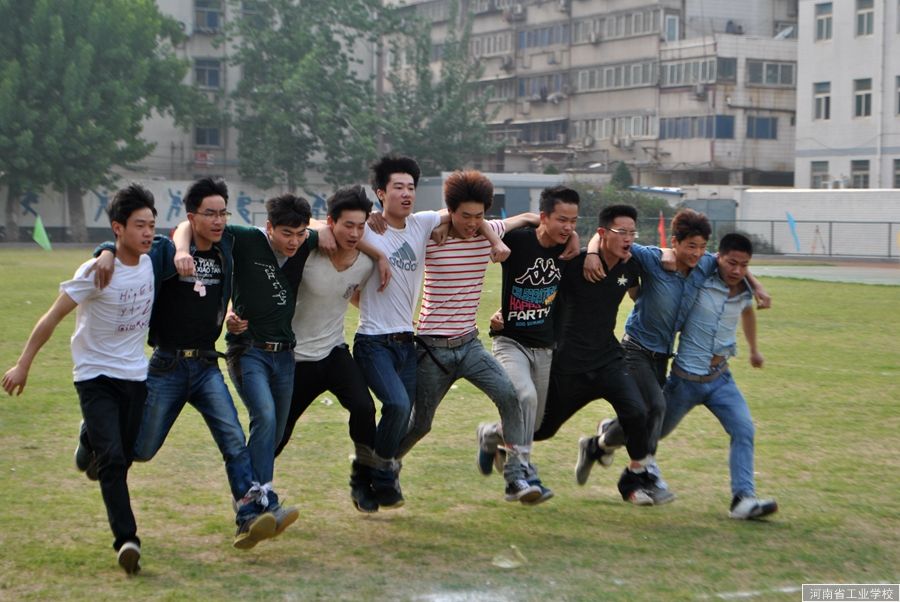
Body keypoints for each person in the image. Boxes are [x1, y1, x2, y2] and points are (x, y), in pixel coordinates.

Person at [89, 177, 284, 549]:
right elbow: (127, 247)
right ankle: (93, 433)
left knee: (233, 438)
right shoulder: (167, 250)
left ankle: (247, 515)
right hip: (168, 366)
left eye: (223, 213)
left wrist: (229, 315)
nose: (218, 221)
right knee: (143, 448)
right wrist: (105, 251)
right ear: (192, 217)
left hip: (207, 365)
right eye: (209, 214)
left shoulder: (225, 248)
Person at [3, 184, 157, 574]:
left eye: (151, 225)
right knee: (113, 461)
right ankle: (127, 540)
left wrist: (105, 248)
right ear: (118, 228)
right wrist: (23, 364)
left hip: (135, 375)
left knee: (125, 452)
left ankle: (88, 437)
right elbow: (52, 317)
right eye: (139, 225)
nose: (147, 233)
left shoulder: (153, 260)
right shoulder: (94, 272)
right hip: (95, 375)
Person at [353, 155, 506, 508]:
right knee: (397, 405)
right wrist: (376, 253)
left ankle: (375, 477)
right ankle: (373, 477)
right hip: (373, 341)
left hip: (407, 342)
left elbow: (462, 214)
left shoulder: (422, 223)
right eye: (398, 188)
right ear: (380, 193)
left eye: (411, 187)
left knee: (405, 415)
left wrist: (490, 237)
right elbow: (327, 228)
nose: (407, 194)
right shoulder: (368, 228)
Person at [580, 210, 771, 491]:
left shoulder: (704, 264)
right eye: (691, 246)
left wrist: (756, 285)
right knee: (655, 408)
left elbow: (732, 261)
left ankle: (600, 442)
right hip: (635, 348)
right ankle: (641, 477)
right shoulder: (652, 258)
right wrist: (591, 253)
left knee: (647, 420)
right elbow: (614, 240)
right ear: (674, 242)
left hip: (663, 356)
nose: (697, 253)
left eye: (702, 247)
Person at [396, 170, 555, 504]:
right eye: (464, 216)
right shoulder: (432, 237)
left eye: (478, 216)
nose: (472, 223)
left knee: (511, 398)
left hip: (470, 345)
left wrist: (492, 234)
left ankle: (515, 478)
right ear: (451, 211)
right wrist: (443, 222)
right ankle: (384, 466)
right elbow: (413, 225)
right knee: (420, 424)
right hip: (432, 349)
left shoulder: (489, 231)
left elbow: (529, 218)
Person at [173, 194, 315, 537]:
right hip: (248, 350)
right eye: (286, 234)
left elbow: (335, 229)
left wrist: (379, 255)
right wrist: (180, 251)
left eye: (300, 234)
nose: (294, 242)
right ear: (269, 228)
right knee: (264, 416)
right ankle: (260, 501)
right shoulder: (247, 239)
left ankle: (254, 499)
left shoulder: (305, 242)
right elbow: (186, 226)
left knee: (275, 431)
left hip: (285, 355)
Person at [531, 205, 673, 505]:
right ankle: (497, 434)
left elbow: (635, 291)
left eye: (632, 233)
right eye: (622, 232)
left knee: (638, 412)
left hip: (609, 359)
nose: (628, 239)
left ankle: (634, 481)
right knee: (542, 430)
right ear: (603, 233)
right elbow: (542, 290)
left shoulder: (630, 266)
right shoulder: (576, 263)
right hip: (570, 365)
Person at [273, 185, 381, 513]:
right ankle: (250, 490)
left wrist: (380, 256)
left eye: (361, 226)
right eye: (348, 225)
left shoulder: (366, 262)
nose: (355, 233)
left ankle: (362, 481)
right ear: (331, 222)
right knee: (278, 432)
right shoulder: (307, 251)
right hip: (295, 359)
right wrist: (316, 229)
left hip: (334, 351)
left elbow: (351, 294)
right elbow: (291, 233)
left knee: (364, 409)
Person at [657, 233, 778, 519]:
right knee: (652, 432)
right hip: (685, 380)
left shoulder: (744, 287)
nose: (737, 270)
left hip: (721, 378)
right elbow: (692, 257)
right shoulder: (701, 277)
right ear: (718, 257)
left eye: (744, 265)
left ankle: (743, 499)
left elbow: (747, 312)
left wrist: (754, 350)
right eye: (731, 263)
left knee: (744, 429)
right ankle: (603, 440)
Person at [477, 185, 580, 504]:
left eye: (574, 221)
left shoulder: (568, 252)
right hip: (510, 341)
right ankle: (520, 475)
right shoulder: (518, 241)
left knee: (531, 423)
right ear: (543, 217)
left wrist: (575, 238)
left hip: (544, 347)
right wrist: (500, 238)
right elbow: (480, 223)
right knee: (524, 397)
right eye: (562, 219)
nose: (568, 227)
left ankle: (491, 434)